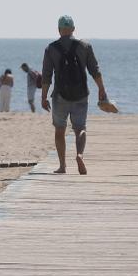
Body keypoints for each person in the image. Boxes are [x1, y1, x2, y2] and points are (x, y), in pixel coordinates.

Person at [41, 15, 107, 175]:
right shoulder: (85, 46)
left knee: (60, 129)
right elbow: (95, 70)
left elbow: (46, 75)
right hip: (81, 94)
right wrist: (101, 89)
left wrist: (43, 97)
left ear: (59, 30)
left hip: (60, 96)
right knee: (80, 128)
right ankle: (79, 154)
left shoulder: (51, 49)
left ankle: (62, 166)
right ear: (73, 29)